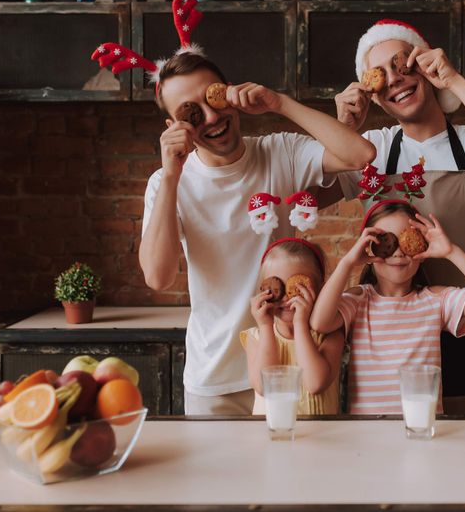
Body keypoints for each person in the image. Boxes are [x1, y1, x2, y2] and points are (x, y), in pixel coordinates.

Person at [139, 50, 375, 415]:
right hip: (214, 377)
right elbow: (158, 275)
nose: (213, 117)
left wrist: (278, 102)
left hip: (287, 368)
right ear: (173, 125)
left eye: (213, 97)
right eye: (192, 112)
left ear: (229, 91)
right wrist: (171, 175)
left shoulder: (280, 152)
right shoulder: (165, 184)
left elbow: (361, 156)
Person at [324, 19, 465, 414]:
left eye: (402, 64)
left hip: (463, 321)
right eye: (381, 75)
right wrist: (342, 129)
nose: (394, 80)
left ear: (425, 66)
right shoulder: (372, 149)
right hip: (389, 335)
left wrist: (455, 82)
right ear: (373, 95)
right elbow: (310, 196)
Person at [310, 200, 465, 414]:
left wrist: (451, 251)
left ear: (421, 248)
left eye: (405, 242)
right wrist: (347, 263)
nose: (397, 253)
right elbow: (320, 323)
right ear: (369, 249)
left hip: (424, 427)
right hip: (368, 432)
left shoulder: (435, 300)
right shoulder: (358, 300)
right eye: (387, 242)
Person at [240, 238, 344, 415]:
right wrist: (265, 326)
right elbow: (264, 387)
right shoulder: (256, 337)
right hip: (271, 437)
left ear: (320, 289)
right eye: (275, 288)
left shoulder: (330, 335)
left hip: (323, 437)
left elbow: (315, 383)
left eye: (298, 287)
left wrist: (300, 324)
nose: (286, 297)